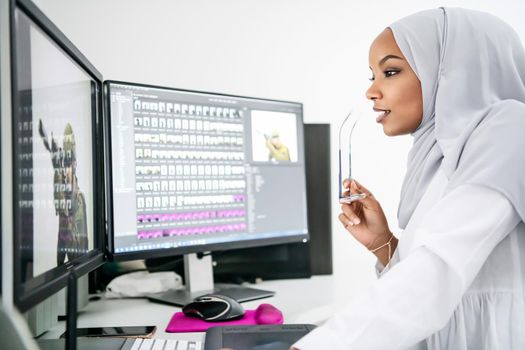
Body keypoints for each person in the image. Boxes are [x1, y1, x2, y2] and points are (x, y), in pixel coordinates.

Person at [293, 7, 525, 350]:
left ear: (451, 71)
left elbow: (438, 270)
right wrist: (383, 243)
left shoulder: (510, 128)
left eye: (390, 71)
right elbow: (447, 273)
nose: (371, 91)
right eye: (371, 75)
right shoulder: (442, 152)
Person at [39, 121, 89, 265]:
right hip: (67, 241)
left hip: (77, 253)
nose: (68, 167)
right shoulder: (62, 183)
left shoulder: (79, 197)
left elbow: (82, 237)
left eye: (70, 162)